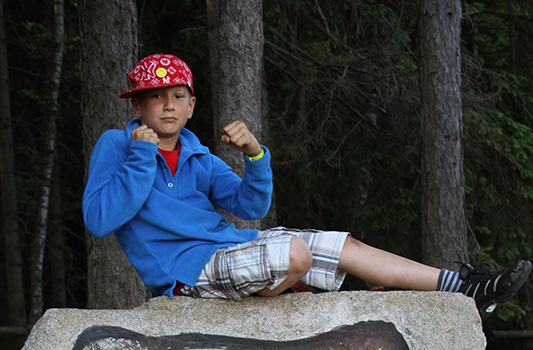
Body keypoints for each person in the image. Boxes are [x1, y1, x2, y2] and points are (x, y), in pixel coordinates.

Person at [83, 54, 531, 317]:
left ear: (191, 105)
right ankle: (276, 287)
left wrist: (255, 154)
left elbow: (250, 205)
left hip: (232, 248)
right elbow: (100, 220)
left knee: (342, 246)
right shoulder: (117, 146)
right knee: (296, 254)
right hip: (185, 273)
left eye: (177, 96)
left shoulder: (197, 155)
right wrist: (140, 158)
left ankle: (463, 287)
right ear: (138, 106)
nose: (168, 105)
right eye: (156, 97)